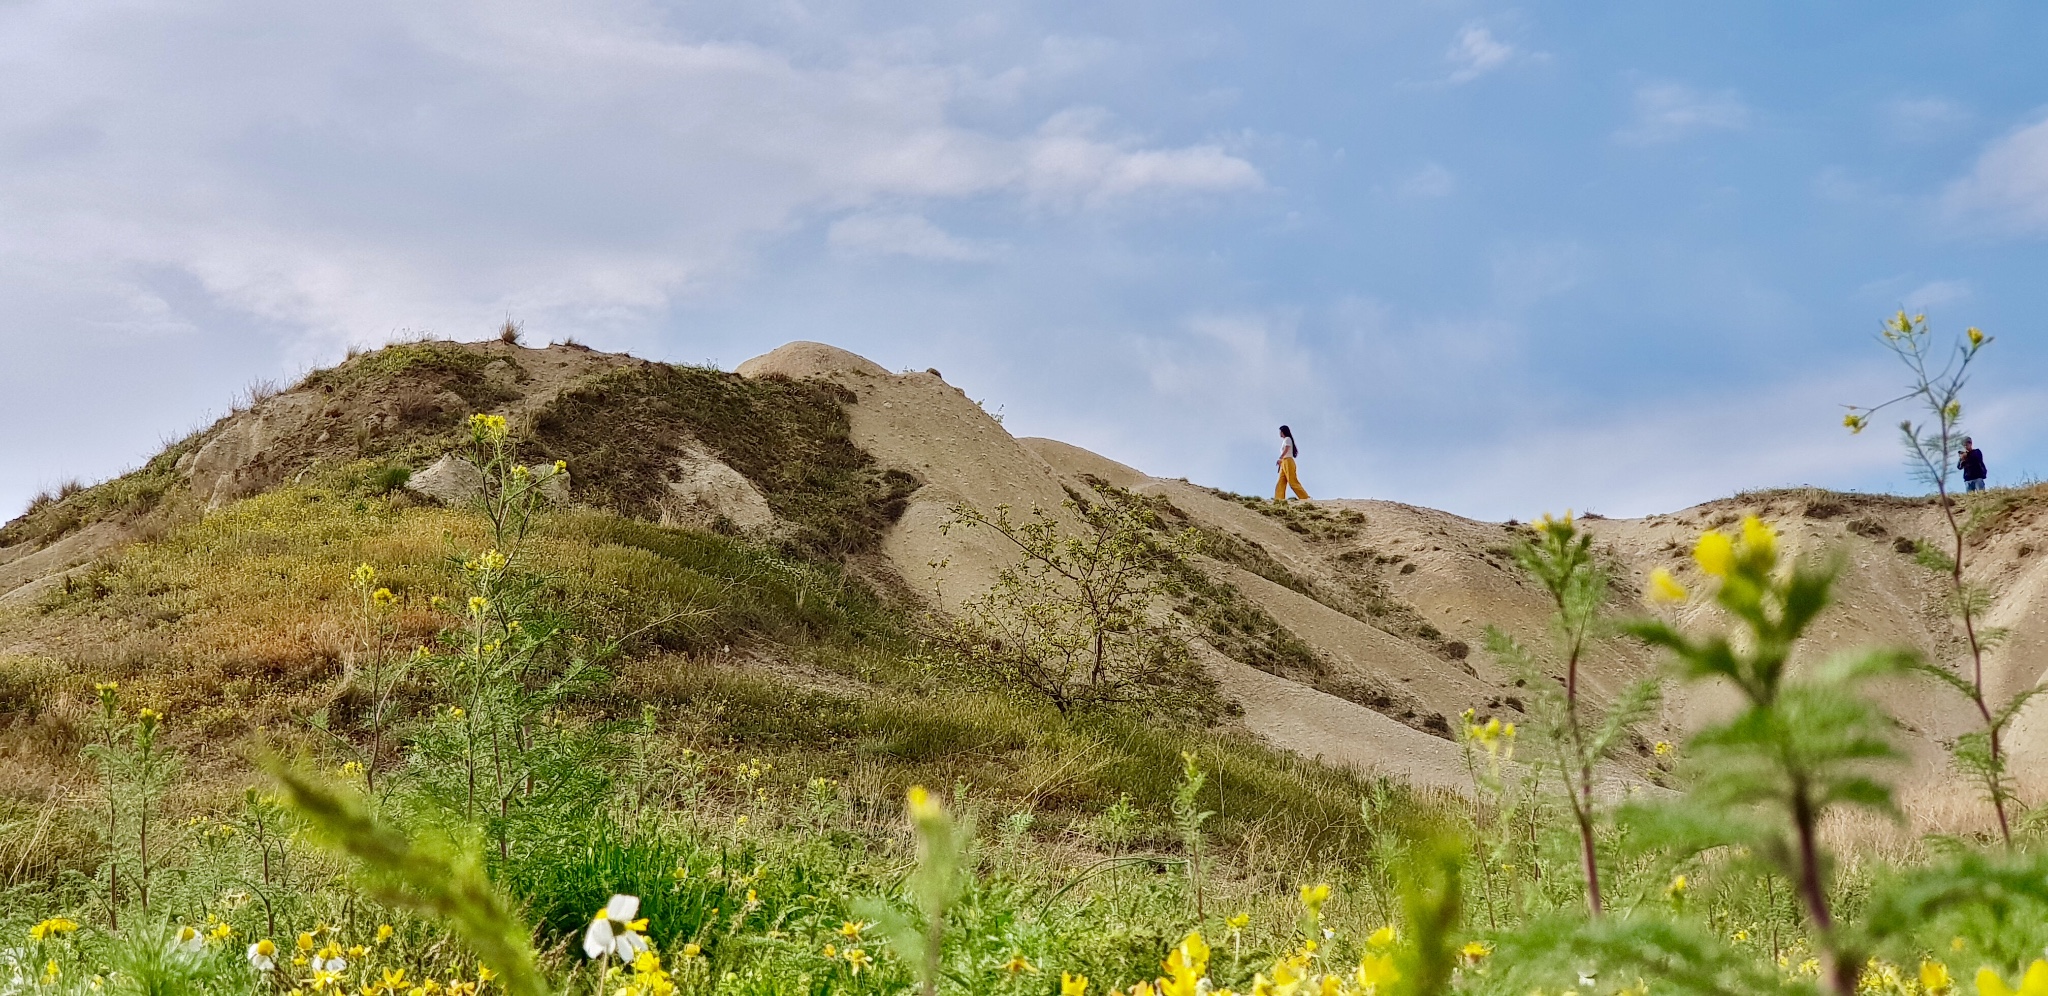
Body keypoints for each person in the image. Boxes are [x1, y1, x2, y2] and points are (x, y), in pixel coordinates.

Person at [1274, 425, 1310, 502]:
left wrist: (1280, 458)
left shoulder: (1288, 439)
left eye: (1280, 431)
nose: (1279, 433)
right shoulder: (1285, 440)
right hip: (1284, 461)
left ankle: (1305, 497)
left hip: (1288, 461)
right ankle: (1279, 499)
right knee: (1281, 481)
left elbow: (1287, 449)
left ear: (1283, 432)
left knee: (1292, 481)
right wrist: (1281, 461)